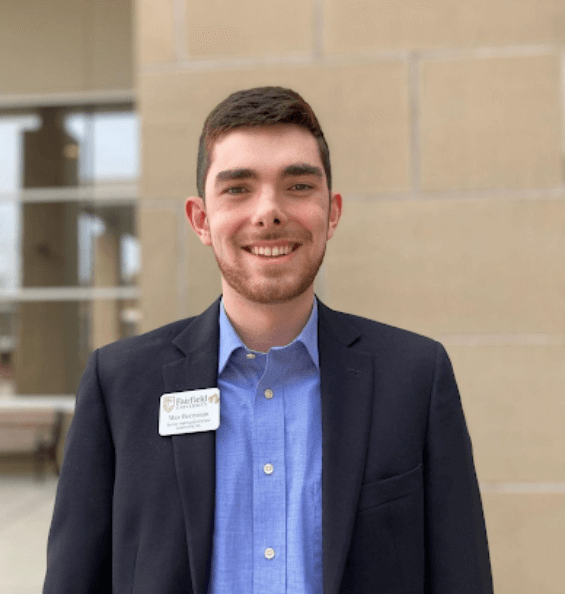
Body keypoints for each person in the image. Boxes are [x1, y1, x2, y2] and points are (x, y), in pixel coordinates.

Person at [43, 87, 493, 594]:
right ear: (200, 220)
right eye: (238, 189)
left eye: (298, 185)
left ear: (333, 212)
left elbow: (463, 576)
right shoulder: (119, 384)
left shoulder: (414, 376)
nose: (269, 211)